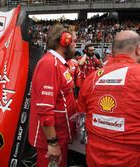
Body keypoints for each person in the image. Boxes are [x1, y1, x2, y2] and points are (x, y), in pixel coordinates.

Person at [77, 30, 140, 167]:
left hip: (95, 157)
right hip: (131, 159)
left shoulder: (92, 78)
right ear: (138, 50)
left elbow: (81, 113)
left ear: (112, 50)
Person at [29, 24, 77, 167]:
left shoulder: (59, 64)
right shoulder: (50, 64)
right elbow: (45, 108)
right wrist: (52, 143)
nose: (76, 44)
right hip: (50, 141)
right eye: (74, 40)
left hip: (60, 136)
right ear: (64, 41)